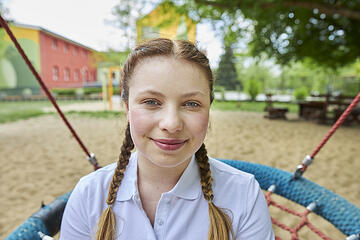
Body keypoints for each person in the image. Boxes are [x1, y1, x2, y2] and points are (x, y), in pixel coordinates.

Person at [60, 38, 274, 240]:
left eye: (191, 104)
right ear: (126, 108)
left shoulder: (243, 194)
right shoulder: (89, 195)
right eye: (151, 101)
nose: (171, 124)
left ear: (209, 110)